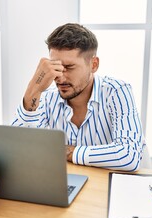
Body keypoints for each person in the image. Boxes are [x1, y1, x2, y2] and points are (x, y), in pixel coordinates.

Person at [11, 23, 145, 171]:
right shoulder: (47, 98)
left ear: (93, 65)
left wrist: (69, 152)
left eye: (69, 67)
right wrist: (34, 88)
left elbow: (129, 155)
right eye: (55, 67)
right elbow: (18, 150)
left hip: (105, 187)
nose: (59, 77)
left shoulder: (117, 92)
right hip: (63, 185)